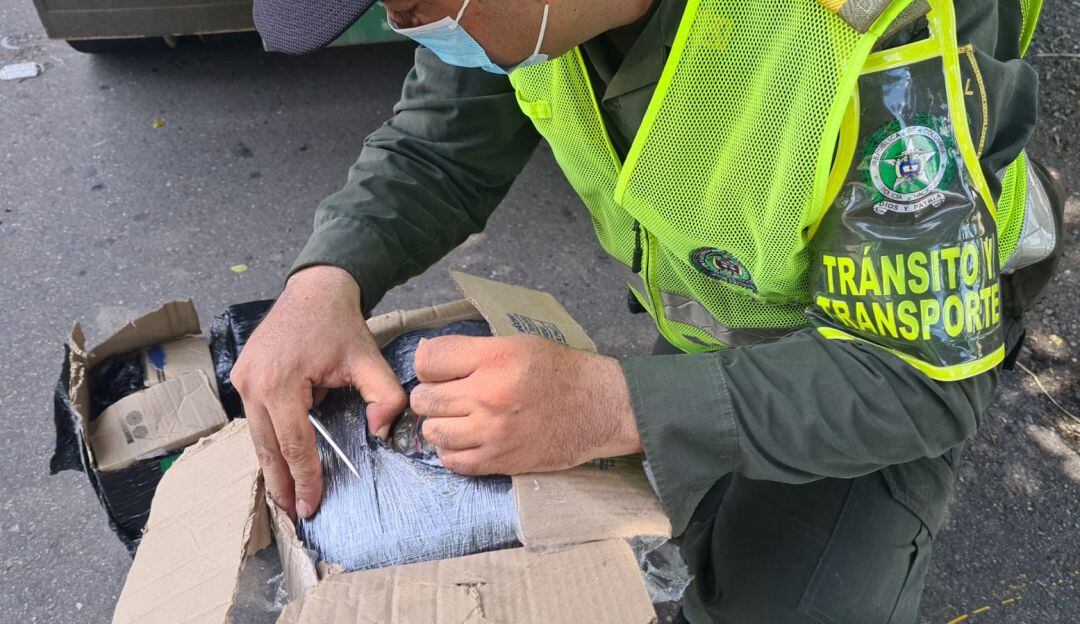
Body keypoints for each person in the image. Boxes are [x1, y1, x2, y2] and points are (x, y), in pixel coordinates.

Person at [234, 0, 1061, 621]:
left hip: (885, 351)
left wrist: (611, 403)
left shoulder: (880, 19)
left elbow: (915, 380)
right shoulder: (508, 13)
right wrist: (327, 279)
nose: (405, 21)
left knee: (779, 598)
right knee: (665, 543)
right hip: (715, 316)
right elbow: (439, 144)